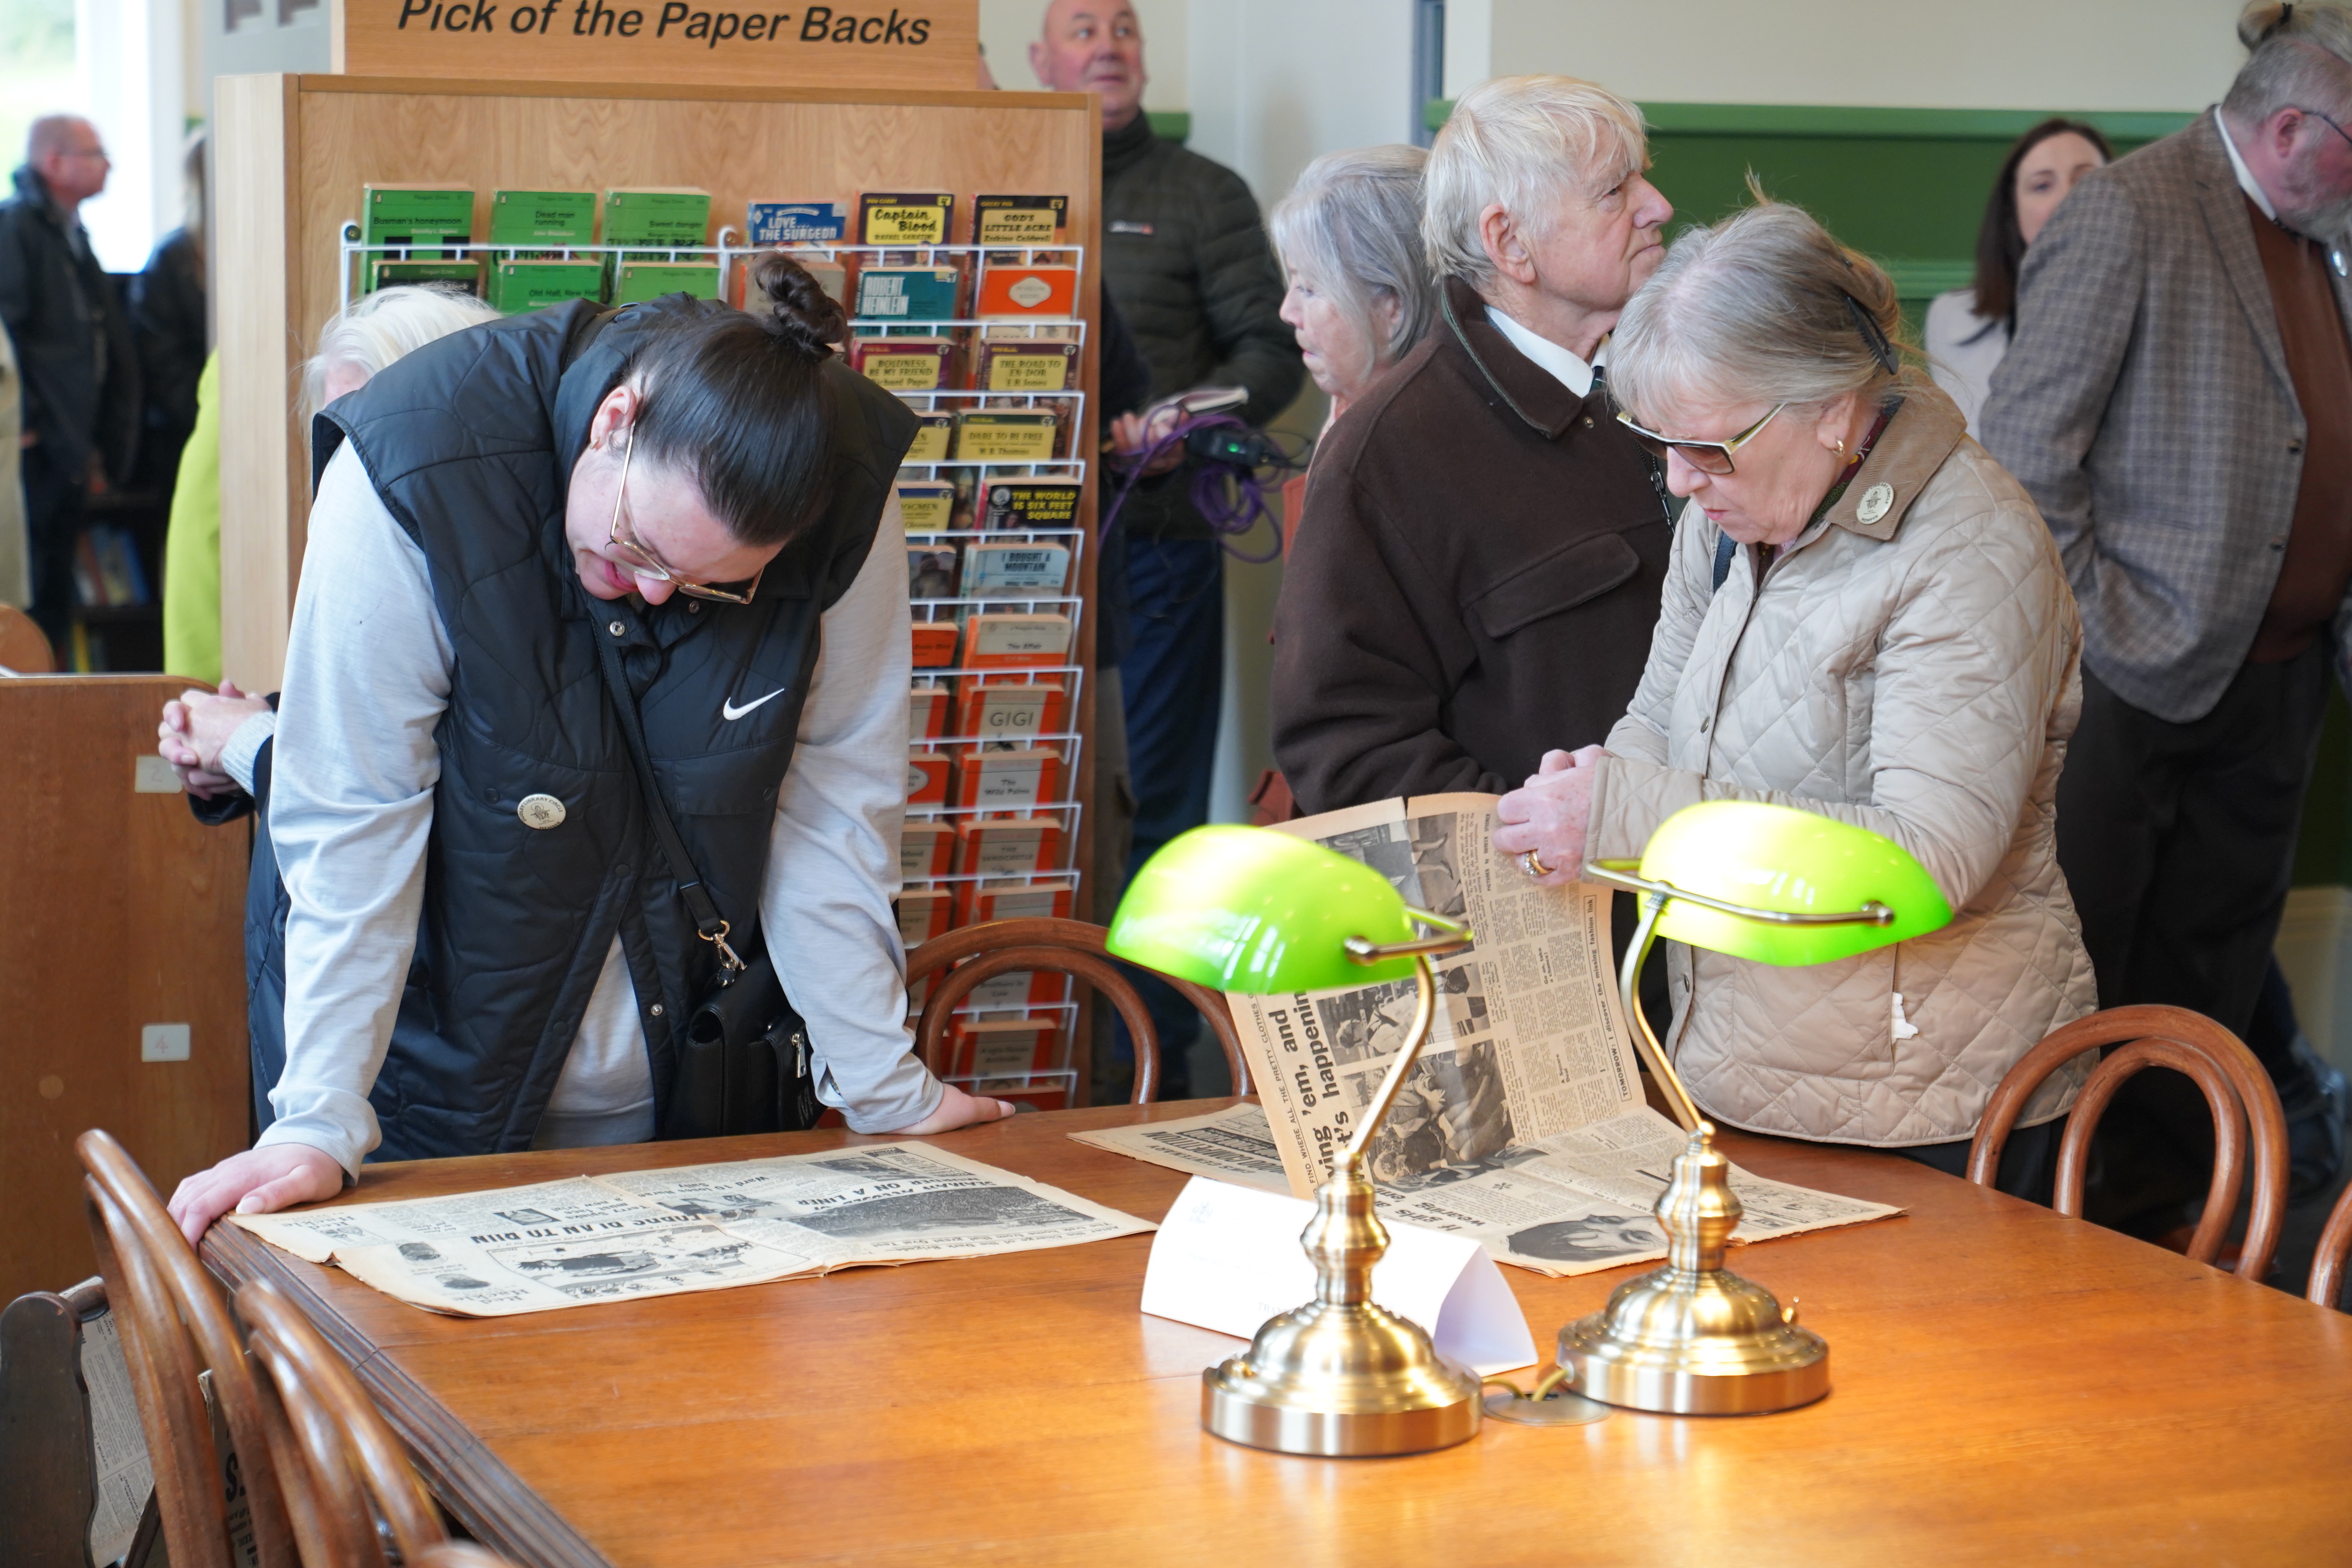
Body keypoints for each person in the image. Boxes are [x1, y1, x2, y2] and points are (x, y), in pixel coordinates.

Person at [163, 254, 1013, 1244]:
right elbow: (356, 807)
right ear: (615, 422)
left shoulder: (842, 489)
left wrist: (881, 1084)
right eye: (636, 550)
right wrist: (315, 1116)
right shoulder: (414, 463)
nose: (655, 593)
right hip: (426, 1064)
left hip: (693, 1077)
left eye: (712, 585)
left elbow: (834, 805)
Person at [1492, 200, 2095, 1197]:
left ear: (1830, 405)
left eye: (1708, 446)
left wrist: (1626, 814)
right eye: (1656, 441)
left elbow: (1923, 857)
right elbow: (1655, 718)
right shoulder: (1732, 510)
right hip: (1736, 1061)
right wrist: (1593, 789)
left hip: (1920, 1098)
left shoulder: (1969, 549)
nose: (1681, 480)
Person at [1981, 2, 2352, 1230]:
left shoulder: (2312, 227)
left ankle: (2176, 1250)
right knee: (2093, 995)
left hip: (2280, 685)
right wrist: (2112, 635)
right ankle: (2055, 1260)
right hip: (2132, 690)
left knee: (2214, 992)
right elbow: (2027, 455)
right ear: (2296, 127)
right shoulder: (2133, 207)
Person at [1270, 75, 1677, 813]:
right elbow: (1347, 751)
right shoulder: (1390, 454)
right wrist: (1543, 844)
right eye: (1616, 191)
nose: (1658, 206)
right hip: (1562, 906)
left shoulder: (1680, 386)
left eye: (1644, 178)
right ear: (1510, 243)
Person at [1030, 0, 1303, 1096]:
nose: (1108, 47)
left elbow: (1271, 350)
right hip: (1032, 558)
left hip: (1165, 544)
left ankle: (1153, 1055)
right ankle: (1041, 1027)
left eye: (1127, 28)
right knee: (1040, 793)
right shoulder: (1018, 177)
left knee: (1164, 804)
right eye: (1084, 28)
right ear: (1040, 58)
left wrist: (1182, 415)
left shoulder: (1205, 194)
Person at [0, 115, 139, 654]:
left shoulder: (71, 232)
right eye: (94, 152)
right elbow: (9, 334)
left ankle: (50, 712)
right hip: (32, 452)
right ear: (54, 162)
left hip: (69, 449)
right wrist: (27, 423)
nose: (108, 164)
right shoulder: (16, 229)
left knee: (55, 595)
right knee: (26, 598)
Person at [1923, 118, 2111, 434]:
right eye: (2042, 185)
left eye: (2088, 181)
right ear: (2013, 210)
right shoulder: (1952, 318)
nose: (2067, 199)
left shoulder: (2153, 313)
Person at [1267, 145, 1438, 428]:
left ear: (1395, 307)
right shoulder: (1352, 411)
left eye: (1309, 288)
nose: (1287, 312)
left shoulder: (1413, 445)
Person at [133, 130, 209, 497]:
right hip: (186, 434)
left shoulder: (259, 245)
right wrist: (207, 420)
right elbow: (161, 362)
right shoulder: (171, 258)